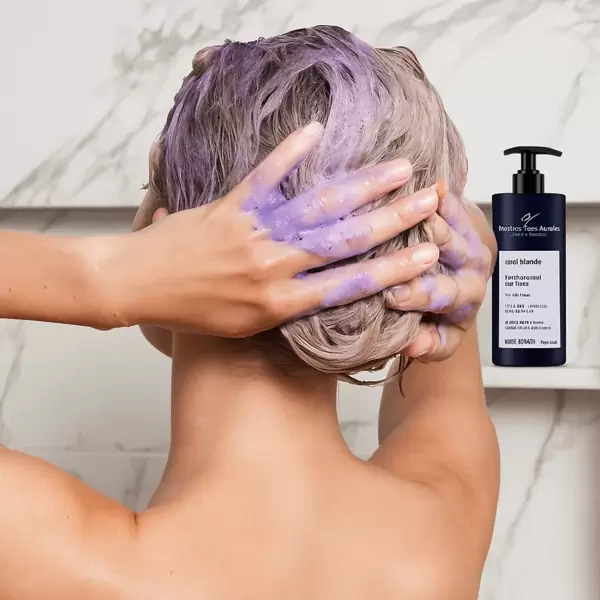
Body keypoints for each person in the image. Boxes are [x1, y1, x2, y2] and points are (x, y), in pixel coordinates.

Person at [0, 26, 498, 600]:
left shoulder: (52, 557)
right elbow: (453, 289)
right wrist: (431, 251)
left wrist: (104, 278)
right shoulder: (444, 530)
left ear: (165, 235)